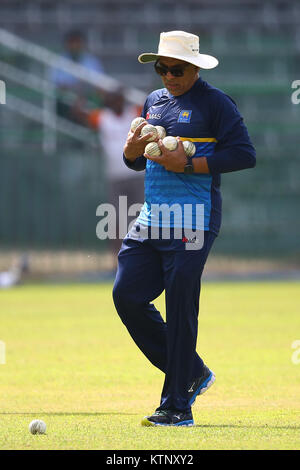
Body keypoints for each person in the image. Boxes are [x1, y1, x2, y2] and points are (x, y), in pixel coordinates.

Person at [112, 31, 256, 427]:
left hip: (193, 220)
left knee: (179, 307)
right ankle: (191, 372)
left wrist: (189, 165)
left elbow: (244, 154)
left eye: (176, 69)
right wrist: (130, 152)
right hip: (152, 219)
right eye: (162, 68)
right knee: (126, 296)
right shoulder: (154, 102)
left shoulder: (216, 103)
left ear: (195, 67)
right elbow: (138, 162)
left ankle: (176, 406)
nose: (168, 76)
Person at [50, 30, 105, 123]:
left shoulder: (91, 61)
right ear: (67, 44)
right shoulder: (59, 61)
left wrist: (83, 93)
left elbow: (99, 85)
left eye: (77, 42)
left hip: (87, 99)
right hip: (66, 101)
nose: (75, 46)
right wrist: (76, 93)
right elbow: (58, 85)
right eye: (72, 43)